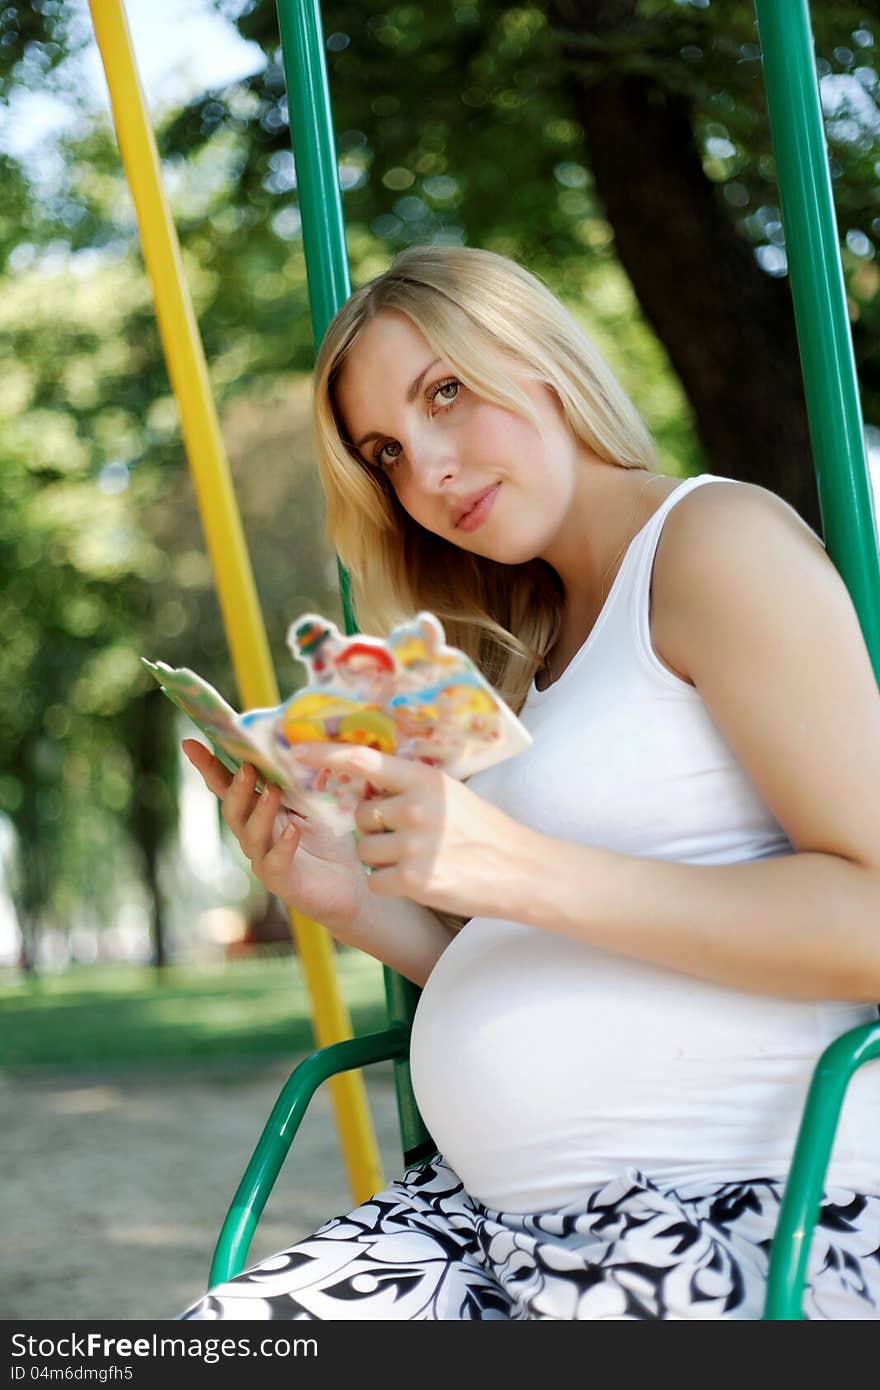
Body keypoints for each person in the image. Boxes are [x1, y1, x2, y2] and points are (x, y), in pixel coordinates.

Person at [178, 244, 880, 1320]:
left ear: (540, 356)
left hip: (725, 1218)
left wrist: (517, 865)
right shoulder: (525, 651)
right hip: (487, 1228)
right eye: (387, 453)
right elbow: (542, 934)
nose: (427, 473)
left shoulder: (714, 544)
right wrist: (353, 900)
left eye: (445, 393)